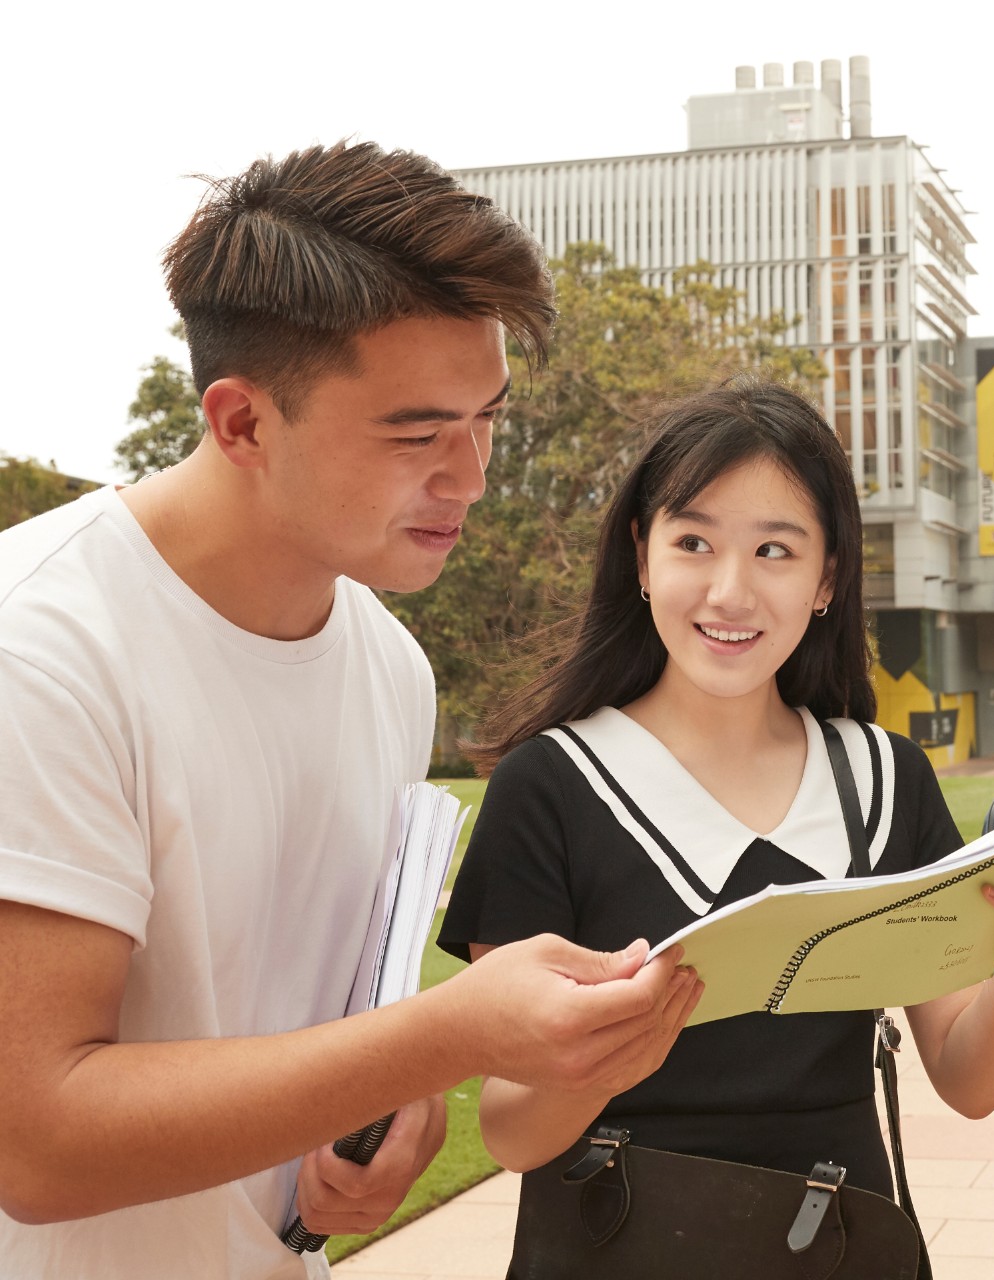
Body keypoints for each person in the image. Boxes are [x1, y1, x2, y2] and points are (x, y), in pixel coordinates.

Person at [0, 141, 692, 1280]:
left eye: (487, 420)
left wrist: (401, 1102)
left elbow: (328, 1019)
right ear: (243, 423)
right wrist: (449, 1033)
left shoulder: (386, 662)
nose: (470, 476)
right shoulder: (47, 650)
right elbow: (35, 1136)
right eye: (418, 433)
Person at [439, 377, 994, 1267]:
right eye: (693, 540)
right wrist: (617, 1052)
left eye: (776, 549)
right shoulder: (551, 785)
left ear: (828, 578)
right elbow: (510, 1131)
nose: (731, 592)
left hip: (843, 1250)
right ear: (642, 555)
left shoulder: (884, 780)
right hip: (616, 1245)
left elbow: (968, 1083)